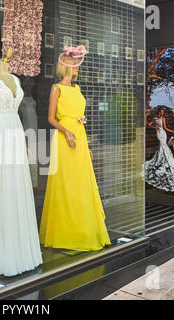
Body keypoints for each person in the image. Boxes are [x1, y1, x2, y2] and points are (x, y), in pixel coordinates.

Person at [39, 45, 111, 251]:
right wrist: (66, 132)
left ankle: (81, 230)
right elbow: (51, 118)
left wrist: (85, 144)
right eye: (75, 65)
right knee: (66, 184)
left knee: (81, 185)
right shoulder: (56, 88)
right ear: (67, 67)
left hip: (79, 136)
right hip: (64, 138)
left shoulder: (77, 89)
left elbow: (81, 120)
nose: (78, 69)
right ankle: (64, 233)